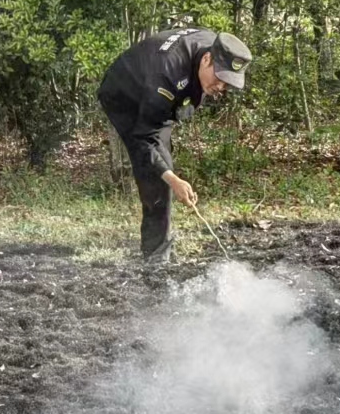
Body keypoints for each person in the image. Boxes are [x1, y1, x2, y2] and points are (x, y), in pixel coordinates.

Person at [97, 26, 251, 263]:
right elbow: (143, 139)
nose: (221, 88)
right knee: (157, 173)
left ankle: (159, 244)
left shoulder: (215, 46)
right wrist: (172, 178)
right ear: (207, 59)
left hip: (156, 90)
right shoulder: (167, 75)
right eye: (220, 78)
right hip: (124, 94)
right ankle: (155, 258)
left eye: (228, 82)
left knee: (162, 158)